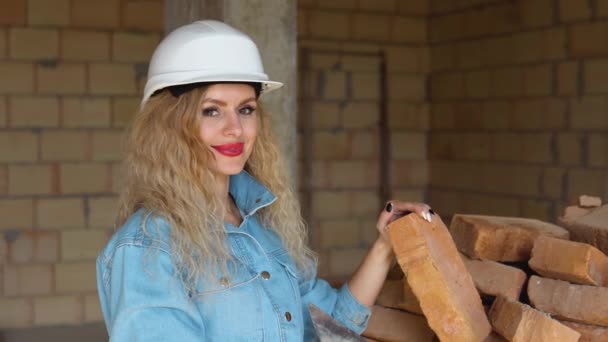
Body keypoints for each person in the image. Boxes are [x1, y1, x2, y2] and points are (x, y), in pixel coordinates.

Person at [96, 20, 433, 341]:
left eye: (246, 109)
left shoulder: (261, 230)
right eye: (211, 110)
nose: (235, 129)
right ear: (170, 125)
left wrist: (384, 247)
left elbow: (331, 324)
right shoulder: (148, 248)